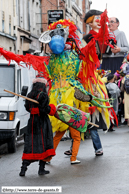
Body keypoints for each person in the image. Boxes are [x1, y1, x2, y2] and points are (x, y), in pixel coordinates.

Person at [19, 78, 56, 176]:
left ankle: (23, 169)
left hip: (32, 122)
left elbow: (27, 108)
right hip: (42, 122)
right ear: (43, 86)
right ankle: (41, 169)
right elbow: (45, 110)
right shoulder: (43, 95)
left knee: (30, 144)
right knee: (44, 144)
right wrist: (52, 108)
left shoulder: (30, 95)